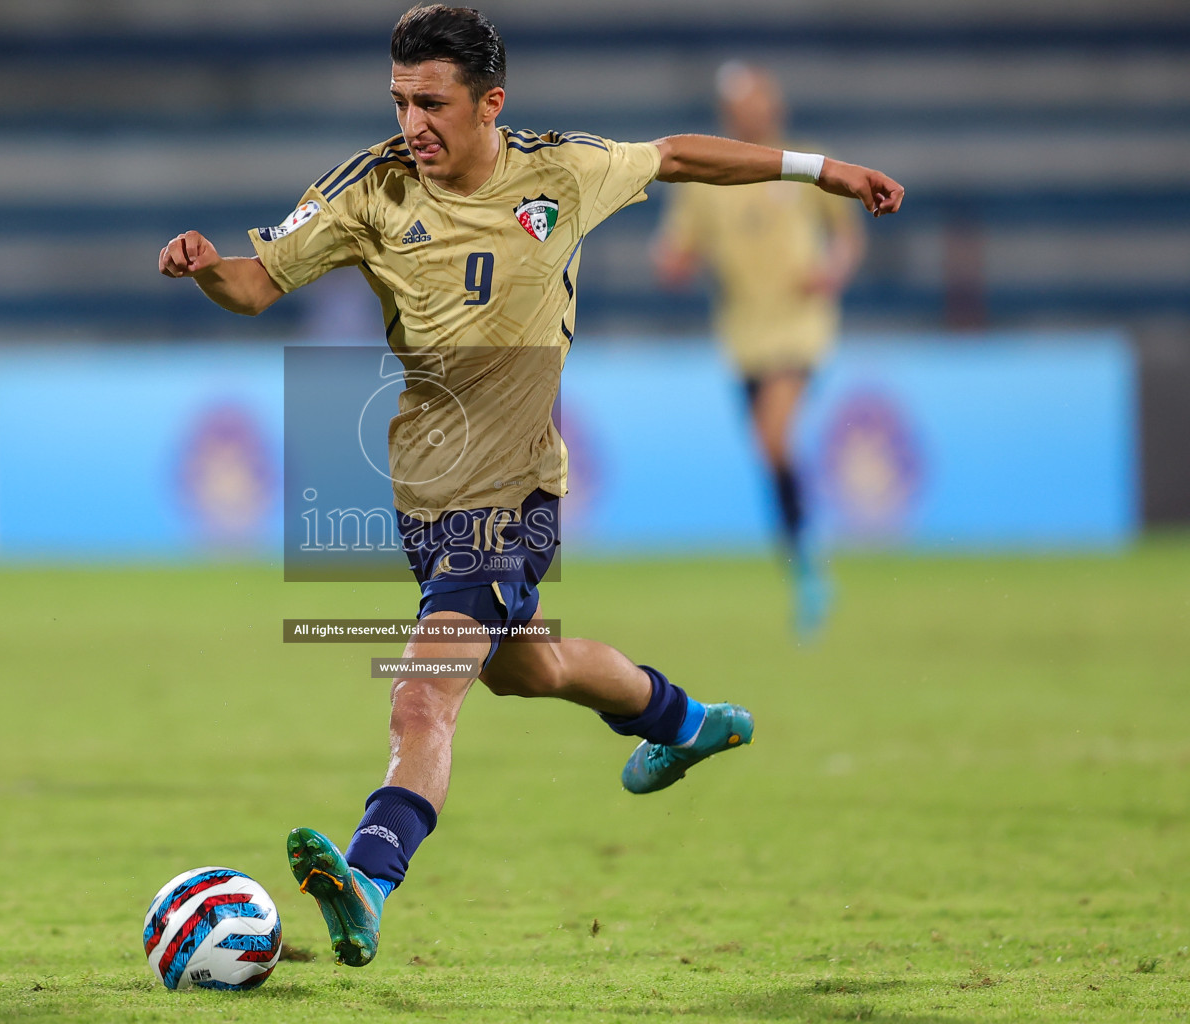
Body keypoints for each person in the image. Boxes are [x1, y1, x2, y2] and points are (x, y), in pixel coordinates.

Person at [158, 4, 901, 967]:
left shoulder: (560, 171)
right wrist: (208, 265)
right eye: (399, 100)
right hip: (424, 494)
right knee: (529, 667)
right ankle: (685, 721)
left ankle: (369, 882)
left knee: (422, 701)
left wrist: (821, 170)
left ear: (489, 103)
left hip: (512, 495)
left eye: (432, 103)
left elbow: (676, 155)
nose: (411, 123)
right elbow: (257, 284)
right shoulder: (372, 191)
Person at [652, 62, 866, 638]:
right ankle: (803, 564)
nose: (753, 111)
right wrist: (673, 262)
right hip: (744, 334)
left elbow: (847, 234)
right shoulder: (706, 182)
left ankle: (808, 571)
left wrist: (833, 271)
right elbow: (676, 250)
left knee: (773, 436)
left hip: (800, 325)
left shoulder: (804, 161)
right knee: (768, 451)